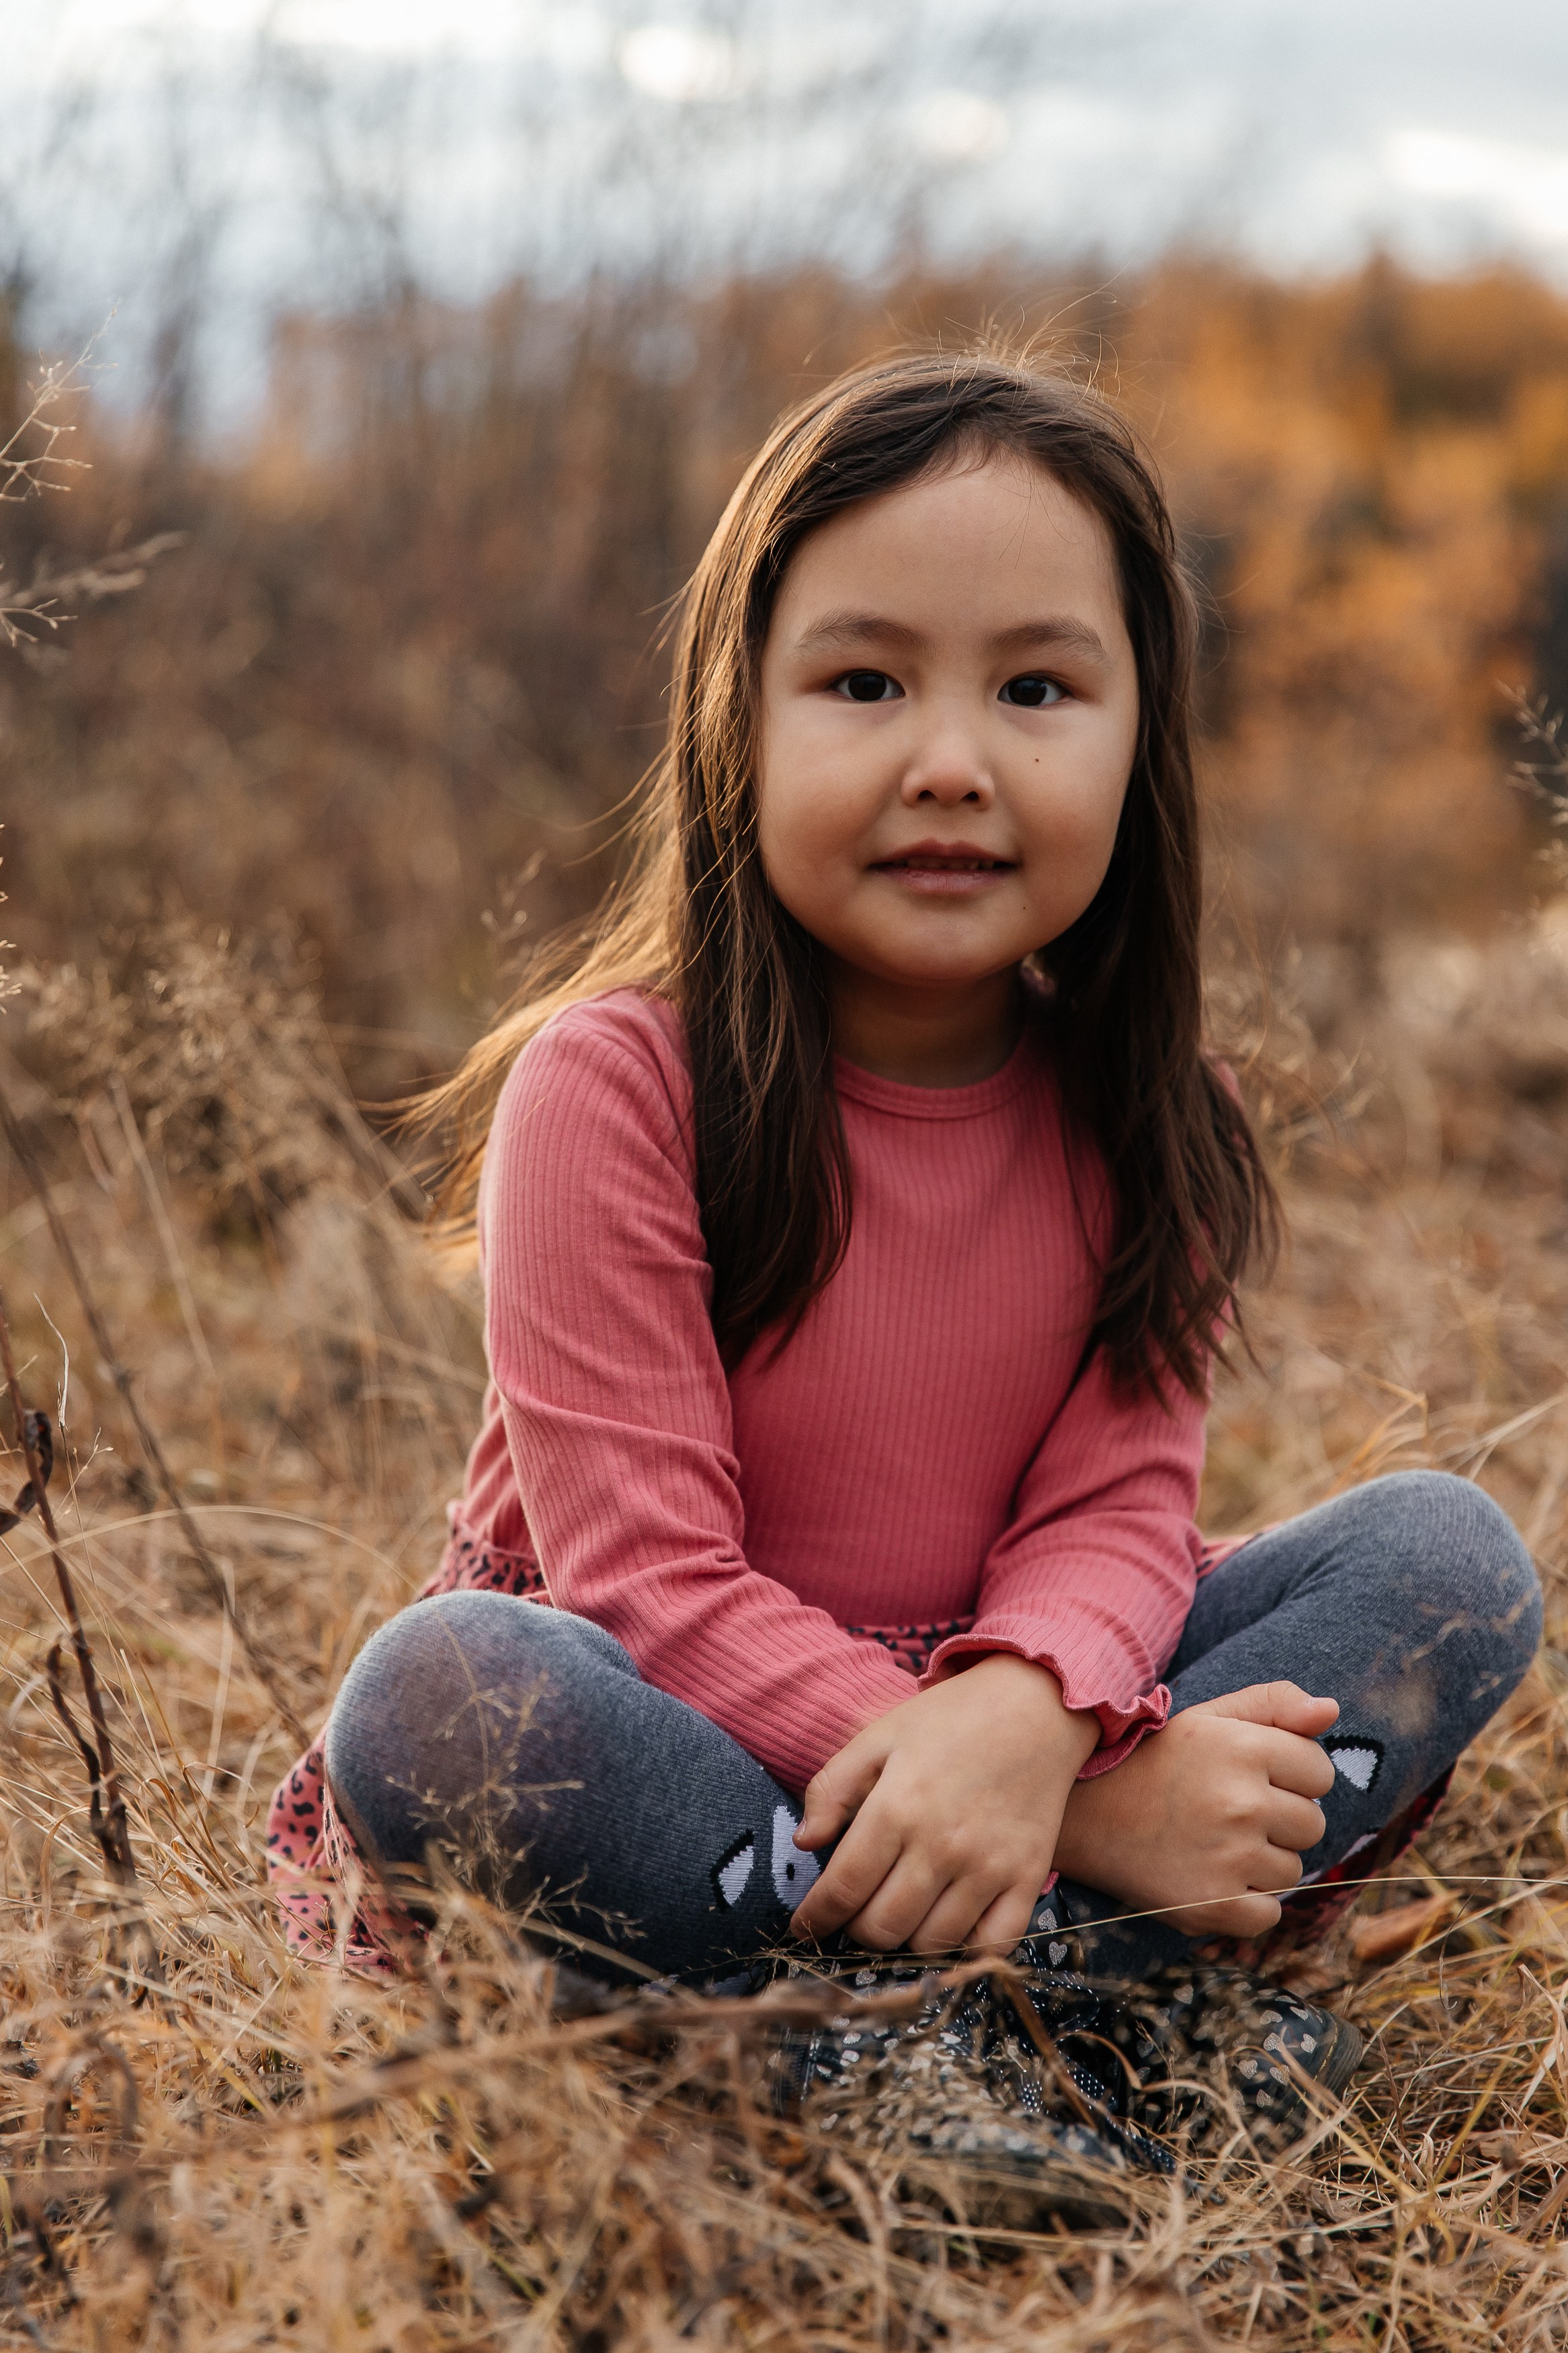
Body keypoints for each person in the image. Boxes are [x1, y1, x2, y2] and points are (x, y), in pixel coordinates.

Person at [267, 352, 1540, 2090]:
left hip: (1024, 1697)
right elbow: (649, 1586)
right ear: (743, 722)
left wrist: (1028, 1722)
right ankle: (956, 2021)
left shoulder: (1155, 1114)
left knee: (1447, 1566)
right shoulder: (618, 1090)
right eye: (865, 682)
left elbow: (1116, 1514)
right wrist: (1093, 1801)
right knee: (439, 1694)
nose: (951, 761)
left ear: (1139, 737)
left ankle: (1016, 2014)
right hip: (694, 1738)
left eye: (1035, 689)